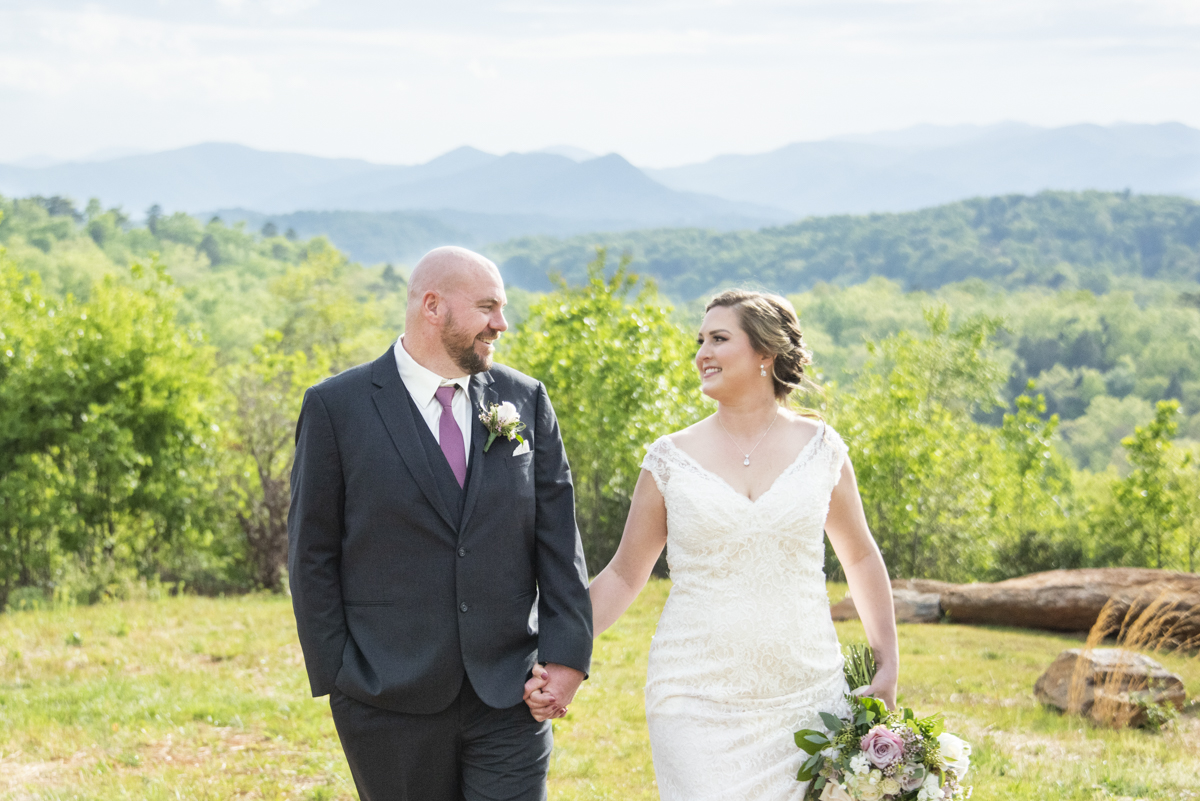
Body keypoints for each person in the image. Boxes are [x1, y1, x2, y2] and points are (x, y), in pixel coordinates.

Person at [526, 289, 899, 800]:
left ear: (765, 353)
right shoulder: (669, 459)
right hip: (692, 698)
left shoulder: (822, 450)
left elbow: (859, 557)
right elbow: (623, 575)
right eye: (700, 340)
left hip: (807, 696)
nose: (702, 352)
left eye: (719, 339)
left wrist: (889, 663)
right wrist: (552, 652)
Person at [288, 246, 593, 801]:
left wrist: (567, 655)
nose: (501, 323)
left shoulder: (524, 398)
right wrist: (340, 675)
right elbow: (311, 553)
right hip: (386, 696)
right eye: (487, 307)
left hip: (510, 692)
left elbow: (558, 539)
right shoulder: (337, 407)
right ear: (433, 306)